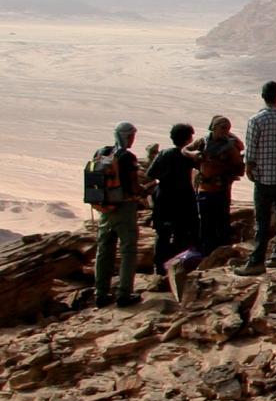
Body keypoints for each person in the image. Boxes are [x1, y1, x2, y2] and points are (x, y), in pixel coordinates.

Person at [241, 80, 276, 276]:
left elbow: (250, 150)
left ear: (262, 96)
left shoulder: (256, 120)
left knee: (263, 220)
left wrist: (249, 168)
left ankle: (257, 260)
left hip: (264, 177)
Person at [86, 120, 144, 308]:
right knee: (128, 250)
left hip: (105, 209)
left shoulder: (101, 152)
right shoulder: (128, 157)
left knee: (104, 250)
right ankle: (124, 294)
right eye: (132, 135)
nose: (133, 139)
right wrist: (145, 191)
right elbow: (134, 186)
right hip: (124, 208)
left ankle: (101, 293)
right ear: (127, 136)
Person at [145, 123, 201, 287]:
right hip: (183, 198)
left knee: (162, 235)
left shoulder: (164, 153)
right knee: (183, 234)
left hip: (164, 198)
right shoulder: (187, 155)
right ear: (188, 138)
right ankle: (177, 269)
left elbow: (151, 173)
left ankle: (160, 270)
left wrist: (165, 178)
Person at [193, 114, 244, 253]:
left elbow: (240, 167)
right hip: (204, 189)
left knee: (221, 223)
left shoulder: (229, 147)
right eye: (222, 128)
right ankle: (205, 252)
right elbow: (185, 150)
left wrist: (223, 169)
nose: (225, 131)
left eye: (227, 128)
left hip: (221, 190)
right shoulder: (203, 142)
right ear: (214, 127)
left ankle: (221, 252)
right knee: (205, 223)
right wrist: (194, 156)